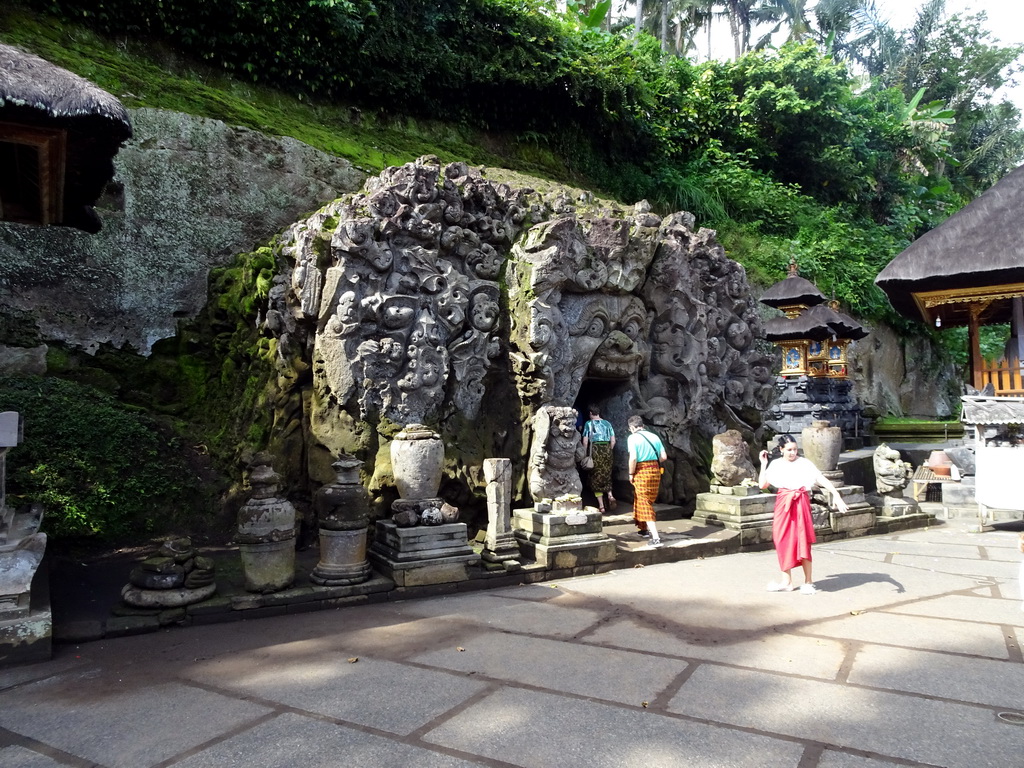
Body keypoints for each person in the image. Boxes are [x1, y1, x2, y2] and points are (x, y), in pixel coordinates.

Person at [758, 433, 848, 594]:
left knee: (802, 539)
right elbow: (763, 484)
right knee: (781, 539)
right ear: (781, 449)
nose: (793, 453)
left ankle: (808, 581)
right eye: (789, 450)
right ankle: (787, 581)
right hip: (784, 503)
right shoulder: (776, 464)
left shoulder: (804, 463)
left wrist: (836, 494)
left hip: (800, 502)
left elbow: (821, 479)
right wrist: (763, 464)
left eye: (795, 449)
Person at [627, 415, 667, 546]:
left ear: (632, 427)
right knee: (642, 498)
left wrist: (631, 473)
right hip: (655, 470)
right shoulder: (654, 436)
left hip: (641, 471)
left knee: (644, 501)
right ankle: (643, 529)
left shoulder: (633, 438)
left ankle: (655, 537)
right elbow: (664, 457)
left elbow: (633, 458)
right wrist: (652, 463)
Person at [581, 405, 616, 513]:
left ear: (591, 413)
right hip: (607, 450)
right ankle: (610, 495)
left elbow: (585, 441)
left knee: (595, 477)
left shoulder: (588, 424)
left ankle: (601, 506)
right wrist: (608, 450)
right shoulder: (607, 423)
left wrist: (585, 454)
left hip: (595, 450)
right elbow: (613, 441)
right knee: (606, 474)